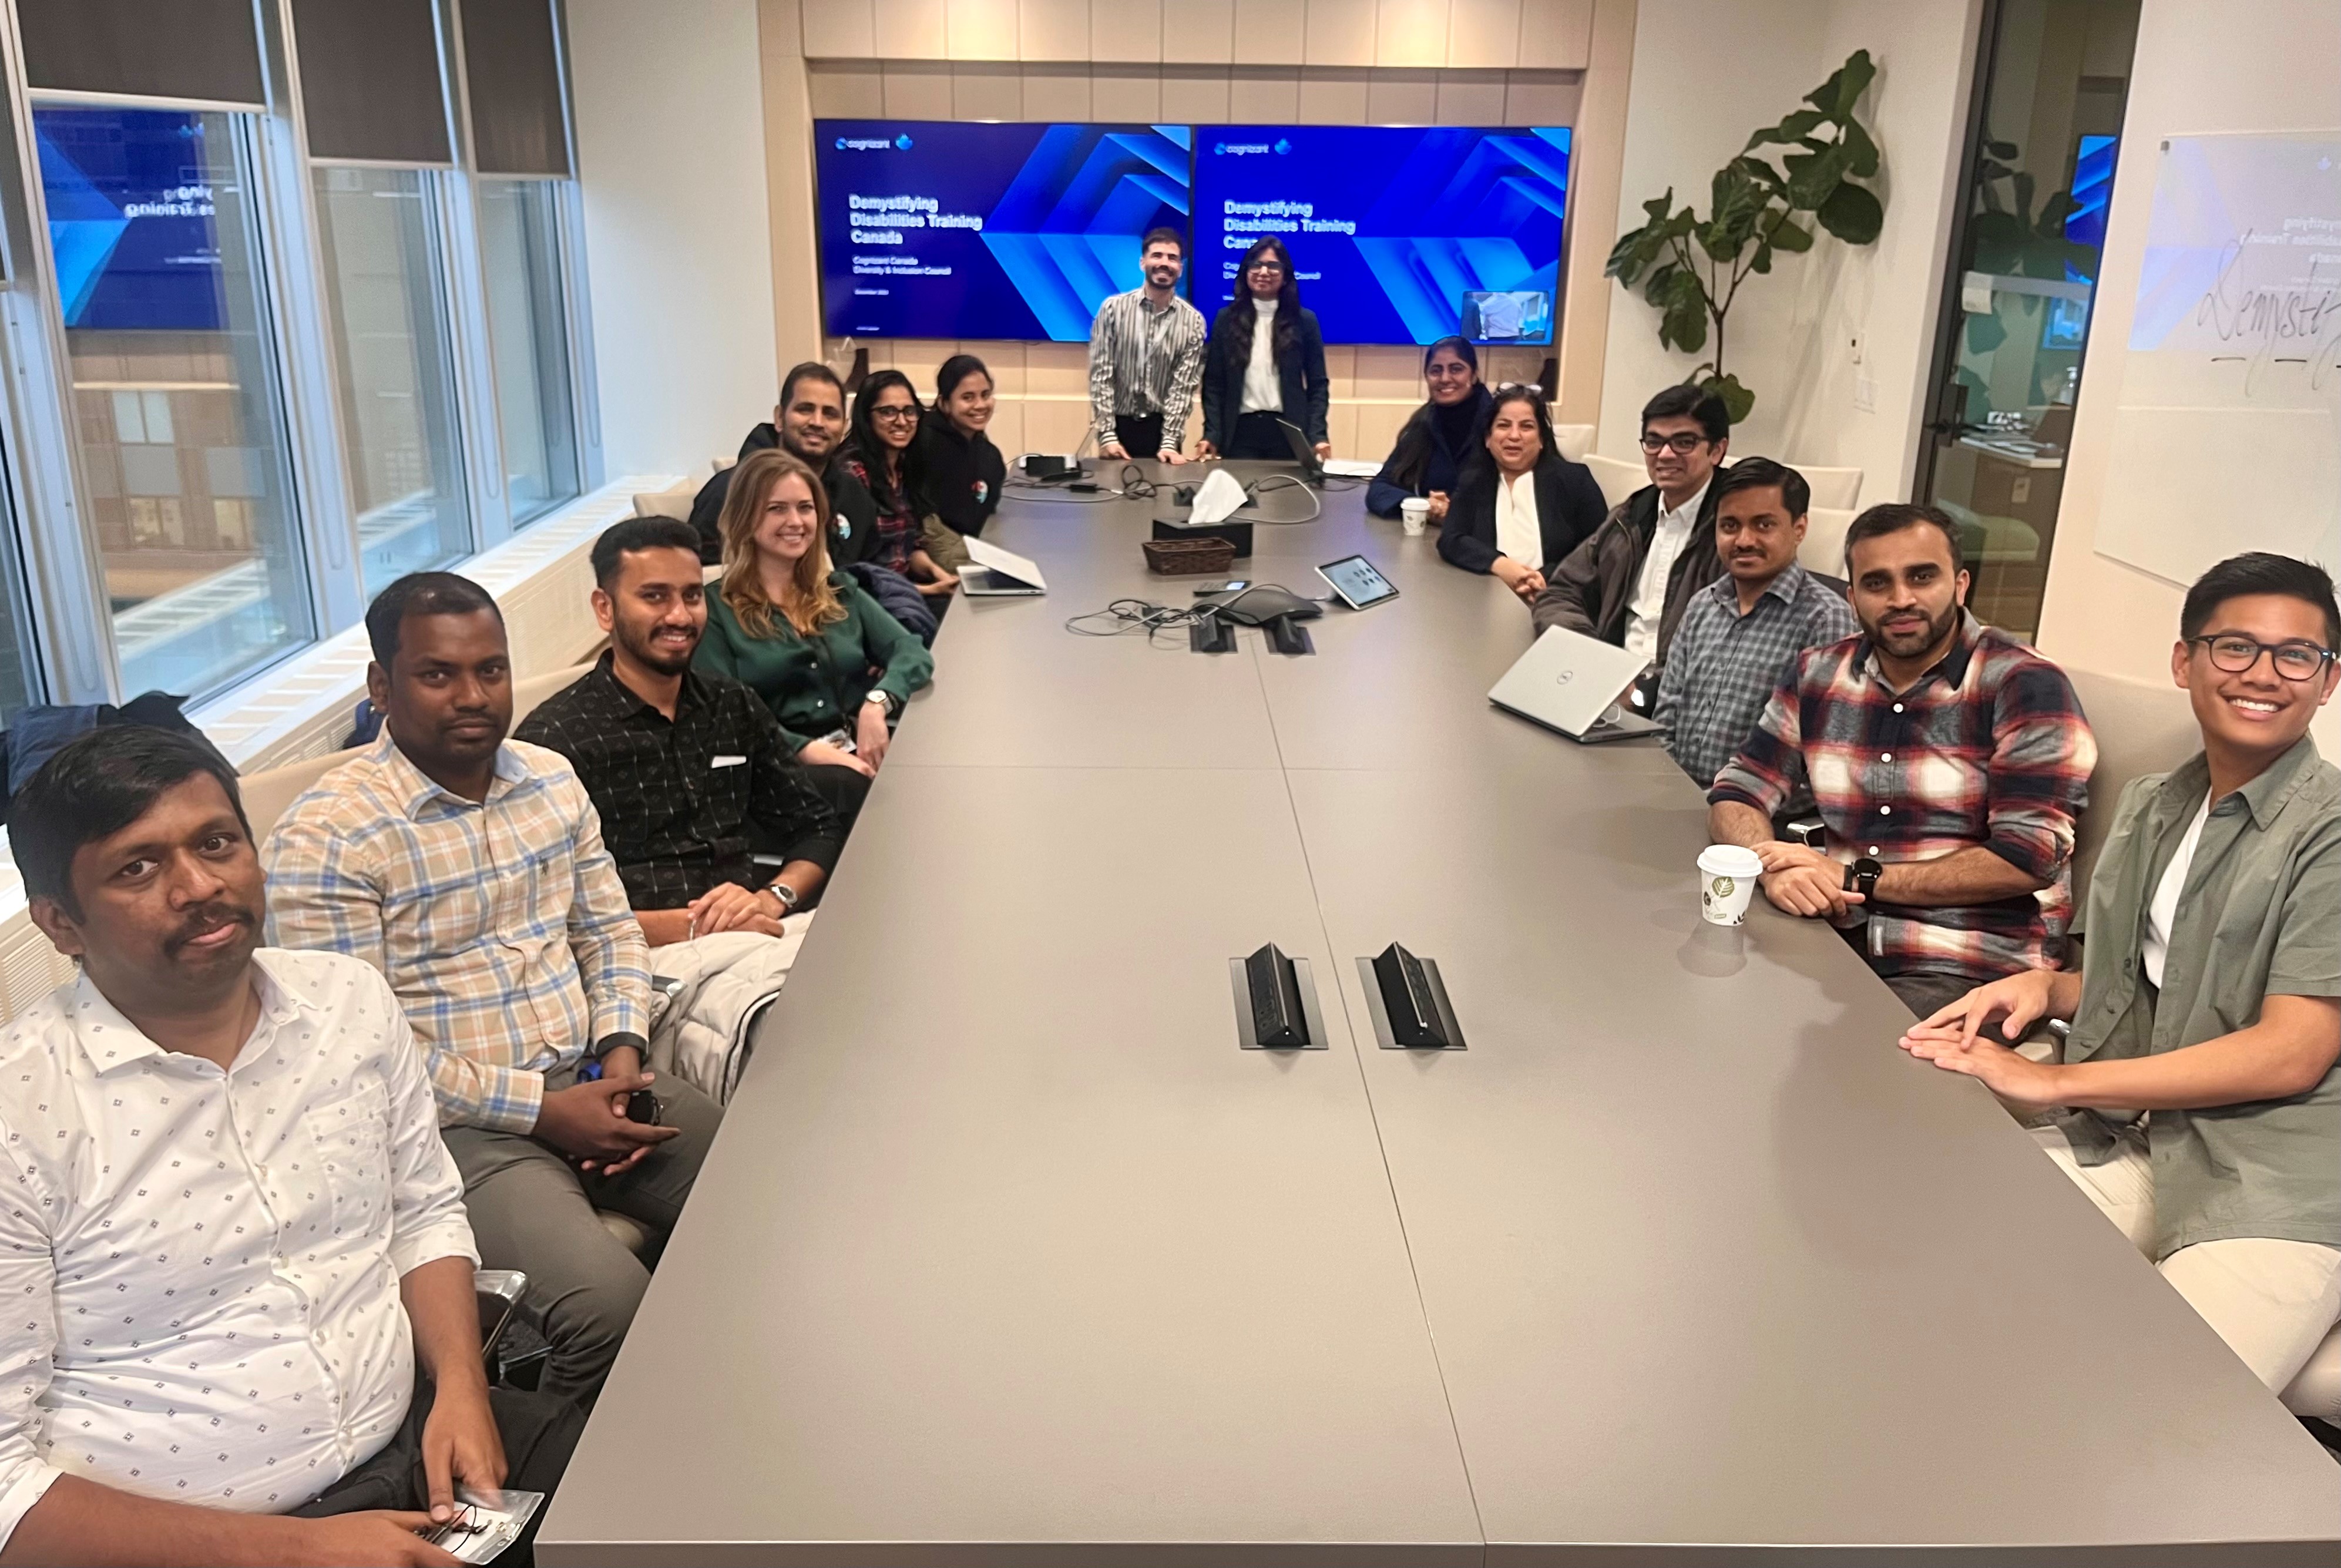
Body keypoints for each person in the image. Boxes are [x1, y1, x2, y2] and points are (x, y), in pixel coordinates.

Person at [1, 726, 582, 1564]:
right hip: (191, 1539)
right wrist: (294, 1551)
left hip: (420, 1441)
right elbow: (7, 1487)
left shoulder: (349, 1004)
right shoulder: (22, 1115)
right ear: (60, 923)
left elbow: (422, 1210)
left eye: (216, 843)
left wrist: (460, 1385)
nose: (199, 885)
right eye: (138, 867)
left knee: (661, 1507)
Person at [264, 571, 721, 1405]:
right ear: (382, 686)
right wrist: (544, 1111)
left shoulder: (549, 779)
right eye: (437, 674)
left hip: (594, 1077)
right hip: (458, 1134)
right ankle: (563, 1512)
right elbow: (362, 1055)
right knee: (608, 1311)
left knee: (766, 1193)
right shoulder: (328, 839)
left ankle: (729, 1407)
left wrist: (618, 1060)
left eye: (492, 670)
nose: (472, 695)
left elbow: (607, 932)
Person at [1900, 552, 2341, 1412]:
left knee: (2153, 1420)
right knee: (1944, 1280)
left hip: (2274, 1176)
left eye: (2297, 656)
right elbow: (2151, 977)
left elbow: (2290, 1053)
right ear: (2184, 662)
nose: (2263, 674)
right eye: (2235, 647)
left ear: (2327, 681)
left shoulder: (2329, 834)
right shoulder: (2154, 803)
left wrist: (2051, 1078)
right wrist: (2045, 990)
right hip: (2145, 1138)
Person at [1705, 503, 2097, 1017]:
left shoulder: (2024, 684)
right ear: (1852, 598)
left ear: (1959, 584)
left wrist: (1855, 878)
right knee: (1700, 999)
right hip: (1832, 934)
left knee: (1825, 1069)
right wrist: (1769, 865)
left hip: (1968, 962)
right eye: (1876, 583)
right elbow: (1739, 788)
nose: (1900, 599)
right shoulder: (1818, 672)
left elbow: (2026, 857)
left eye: (1920, 576)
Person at [515, 517, 844, 946]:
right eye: (654, 597)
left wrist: (771, 898)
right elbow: (539, 907)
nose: (679, 615)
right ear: (605, 608)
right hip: (640, 957)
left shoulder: (732, 705)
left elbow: (817, 827)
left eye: (692, 596)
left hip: (756, 931)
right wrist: (696, 926)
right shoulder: (555, 740)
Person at [695, 449, 935, 831]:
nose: (795, 521)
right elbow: (723, 718)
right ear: (744, 518)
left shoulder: (838, 591)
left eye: (805, 507)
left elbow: (910, 650)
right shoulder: (714, 610)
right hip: (773, 771)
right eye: (776, 509)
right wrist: (807, 750)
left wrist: (877, 702)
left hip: (850, 751)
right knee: (877, 801)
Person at [1653, 457, 1858, 787]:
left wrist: (1736, 804)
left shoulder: (1825, 620)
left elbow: (1826, 756)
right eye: (1730, 526)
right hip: (1674, 796)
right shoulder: (1703, 605)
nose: (1744, 540)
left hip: (1759, 813)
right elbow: (1666, 716)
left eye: (1764, 525)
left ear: (1799, 529)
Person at [1531, 384, 1730, 703]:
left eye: (1684, 442)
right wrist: (1588, 656)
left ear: (1717, 450)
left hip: (1685, 704)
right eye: (1654, 441)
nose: (1665, 454)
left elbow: (1738, 645)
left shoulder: (1734, 532)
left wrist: (1642, 696)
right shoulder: (1631, 516)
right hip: (1608, 687)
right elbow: (1561, 592)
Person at [688, 361, 877, 567]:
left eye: (830, 414)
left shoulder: (855, 498)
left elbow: (868, 575)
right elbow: (697, 577)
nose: (817, 422)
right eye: (805, 409)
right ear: (779, 418)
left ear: (844, 427)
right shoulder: (727, 491)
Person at [1433, 384, 1607, 605]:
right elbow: (1451, 540)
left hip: (1558, 599)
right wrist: (1503, 566)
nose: (1514, 436)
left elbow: (1599, 549)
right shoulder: (1474, 481)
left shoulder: (1575, 480)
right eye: (1504, 425)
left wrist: (1545, 577)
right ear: (1488, 438)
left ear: (1542, 439)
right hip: (1484, 598)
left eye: (1526, 427)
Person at [1198, 237, 1330, 463]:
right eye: (1256, 264)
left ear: (1286, 274)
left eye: (1273, 265)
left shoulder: (1304, 321)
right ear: (1245, 271)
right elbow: (1213, 386)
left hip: (1290, 433)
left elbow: (1318, 385)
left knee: (1288, 497)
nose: (1264, 271)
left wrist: (1318, 435)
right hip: (1239, 433)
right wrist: (1212, 434)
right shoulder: (1226, 320)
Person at [1089, 226, 1208, 464]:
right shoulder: (1113, 310)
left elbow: (1183, 388)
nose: (1164, 263)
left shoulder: (1193, 321)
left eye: (1172, 258)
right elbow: (1101, 376)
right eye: (1157, 255)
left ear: (1180, 269)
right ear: (1143, 262)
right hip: (1118, 427)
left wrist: (1169, 441)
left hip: (1163, 429)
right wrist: (1108, 435)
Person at [839, 370, 958, 599]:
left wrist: (938, 573)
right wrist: (927, 591)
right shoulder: (852, 476)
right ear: (866, 417)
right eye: (888, 412)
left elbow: (906, 548)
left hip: (907, 593)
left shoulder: (904, 467)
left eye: (909, 411)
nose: (902, 421)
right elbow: (851, 573)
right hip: (874, 604)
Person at [1366, 335, 1493, 519]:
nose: (1445, 378)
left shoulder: (1499, 423)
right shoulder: (1422, 424)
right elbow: (1380, 488)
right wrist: (1424, 506)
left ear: (1474, 375)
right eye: (1436, 370)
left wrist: (1457, 512)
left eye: (1456, 369)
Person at [921, 353, 1008, 538]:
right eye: (968, 398)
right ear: (944, 404)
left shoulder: (990, 456)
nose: (980, 405)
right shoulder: (923, 446)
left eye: (985, 395)